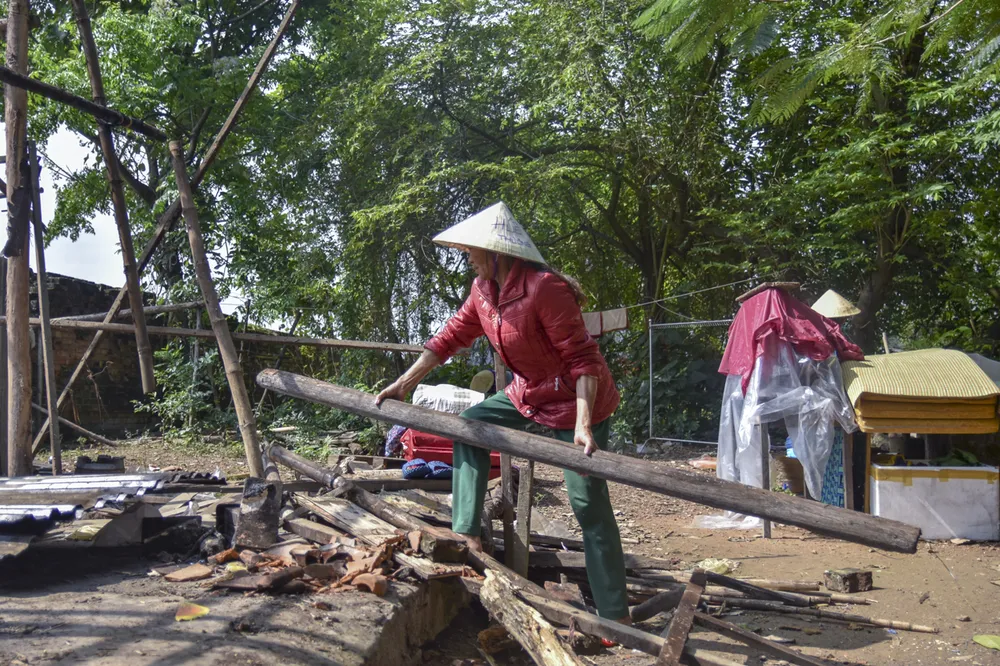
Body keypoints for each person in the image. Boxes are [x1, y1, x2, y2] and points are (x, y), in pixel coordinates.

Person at [375, 202, 630, 624]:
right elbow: (450, 336)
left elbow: (583, 360)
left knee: (588, 505)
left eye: (472, 251)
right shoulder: (482, 290)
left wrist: (584, 425)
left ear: (497, 252)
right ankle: (467, 532)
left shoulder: (545, 288)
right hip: (528, 392)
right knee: (470, 427)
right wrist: (405, 382)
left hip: (576, 399)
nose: (467, 258)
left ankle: (615, 617)